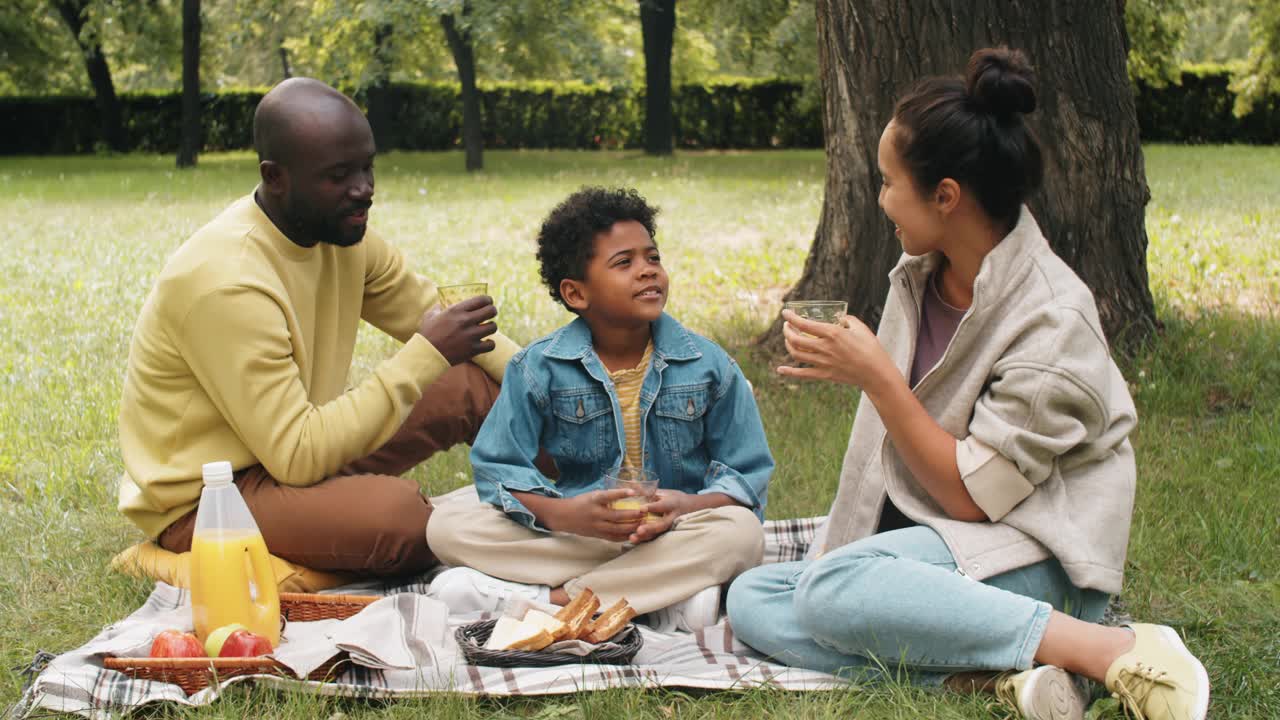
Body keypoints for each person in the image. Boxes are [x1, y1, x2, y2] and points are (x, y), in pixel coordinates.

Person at [725, 48, 1209, 720]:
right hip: (941, 540)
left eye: (889, 182)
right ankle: (993, 679)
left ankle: (1105, 645)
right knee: (755, 597)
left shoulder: (1052, 323)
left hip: (1038, 553)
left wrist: (878, 379)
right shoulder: (920, 274)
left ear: (945, 196)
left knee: (831, 588)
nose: (882, 199)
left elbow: (975, 499)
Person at [117, 78, 518, 577]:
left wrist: (557, 383)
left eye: (368, 167)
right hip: (213, 497)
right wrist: (427, 352)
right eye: (338, 175)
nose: (364, 189)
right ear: (275, 176)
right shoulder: (228, 281)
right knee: (403, 522)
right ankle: (168, 557)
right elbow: (298, 455)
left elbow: (437, 314)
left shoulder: (341, 234)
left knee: (477, 383)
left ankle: (590, 503)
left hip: (291, 457)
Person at [426, 187, 774, 632]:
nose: (648, 272)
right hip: (578, 532)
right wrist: (565, 514)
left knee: (741, 534)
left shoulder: (710, 367)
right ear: (576, 293)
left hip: (672, 530)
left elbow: (747, 475)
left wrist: (685, 505)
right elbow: (498, 469)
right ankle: (662, 598)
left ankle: (550, 601)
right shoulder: (537, 368)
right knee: (445, 525)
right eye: (624, 263)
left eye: (653, 257)